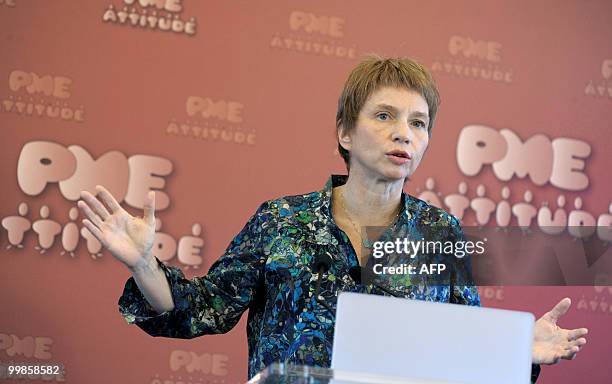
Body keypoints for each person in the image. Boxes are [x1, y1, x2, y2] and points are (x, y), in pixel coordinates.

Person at [77, 55, 588, 382]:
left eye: (418, 123)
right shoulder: (281, 221)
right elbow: (200, 310)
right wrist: (145, 264)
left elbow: (463, 351)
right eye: (384, 116)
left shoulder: (438, 235)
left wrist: (520, 351)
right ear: (345, 132)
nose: (403, 134)